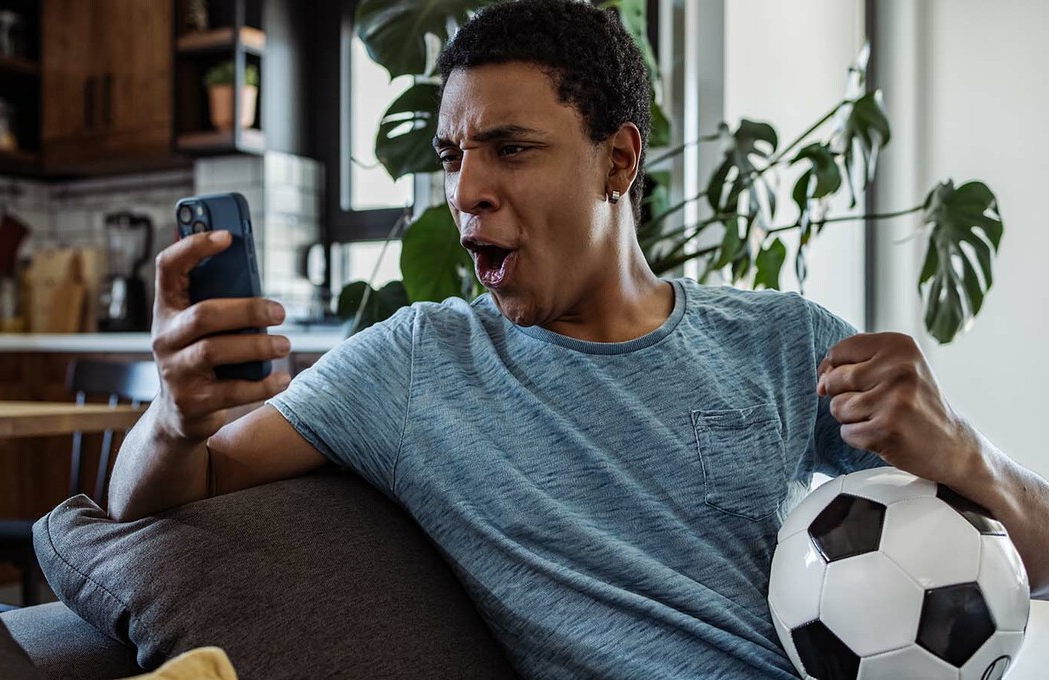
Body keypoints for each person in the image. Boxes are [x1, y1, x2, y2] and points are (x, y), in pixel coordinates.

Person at [108, 1, 1049, 677]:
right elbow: (155, 496)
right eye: (451, 157)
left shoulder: (783, 340)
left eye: (510, 149)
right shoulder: (417, 362)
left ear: (619, 161)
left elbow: (1036, 562)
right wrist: (175, 419)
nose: (466, 191)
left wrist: (963, 453)